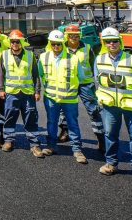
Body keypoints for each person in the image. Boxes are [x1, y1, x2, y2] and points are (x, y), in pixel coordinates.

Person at [95, 27, 132, 188]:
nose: (111, 44)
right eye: (108, 41)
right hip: (110, 106)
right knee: (110, 135)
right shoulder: (99, 60)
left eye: (114, 40)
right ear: (104, 43)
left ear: (119, 41)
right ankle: (111, 163)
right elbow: (97, 81)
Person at [39, 30, 87, 164]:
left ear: (63, 44)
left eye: (59, 44)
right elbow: (41, 75)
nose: (56, 47)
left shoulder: (74, 58)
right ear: (50, 43)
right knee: (51, 123)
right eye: (53, 44)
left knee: (73, 124)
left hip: (69, 99)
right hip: (51, 98)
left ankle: (77, 150)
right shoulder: (43, 57)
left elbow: (82, 78)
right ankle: (51, 146)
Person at [58, 24, 105, 151]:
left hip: (86, 84)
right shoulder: (61, 47)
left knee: (93, 110)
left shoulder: (87, 47)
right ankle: (65, 132)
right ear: (66, 36)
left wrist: (98, 84)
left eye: (76, 35)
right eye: (71, 35)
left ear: (80, 36)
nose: (74, 37)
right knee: (64, 110)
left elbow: (93, 65)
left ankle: (101, 138)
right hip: (68, 83)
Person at [0, 30, 45, 157]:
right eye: (12, 41)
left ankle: (34, 144)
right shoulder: (4, 55)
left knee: (31, 118)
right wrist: (1, 89)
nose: (15, 44)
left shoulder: (30, 55)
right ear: (10, 43)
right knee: (10, 117)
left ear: (22, 42)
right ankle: (9, 141)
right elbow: (1, 73)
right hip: (11, 93)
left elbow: (36, 75)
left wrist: (37, 91)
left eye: (17, 41)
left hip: (27, 93)